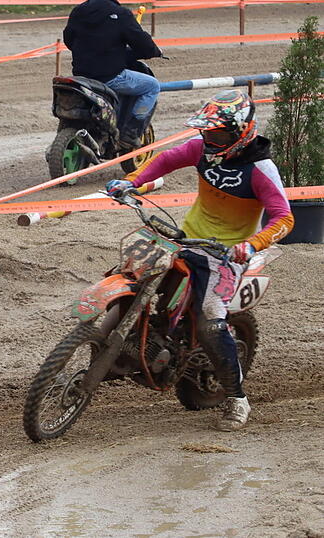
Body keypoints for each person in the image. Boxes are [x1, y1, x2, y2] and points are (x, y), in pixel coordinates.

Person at [106, 90, 294, 431]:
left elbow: (283, 218)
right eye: (207, 132)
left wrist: (251, 245)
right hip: (185, 237)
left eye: (218, 133)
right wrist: (132, 182)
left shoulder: (260, 170)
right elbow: (166, 159)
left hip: (227, 254)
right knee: (132, 273)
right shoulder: (202, 149)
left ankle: (237, 399)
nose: (210, 138)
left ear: (242, 132)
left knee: (210, 320)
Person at [63, 0, 162, 148]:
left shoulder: (78, 11)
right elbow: (141, 41)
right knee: (152, 86)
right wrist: (153, 51)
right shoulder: (121, 13)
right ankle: (130, 134)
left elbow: (68, 39)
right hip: (109, 76)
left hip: (81, 75)